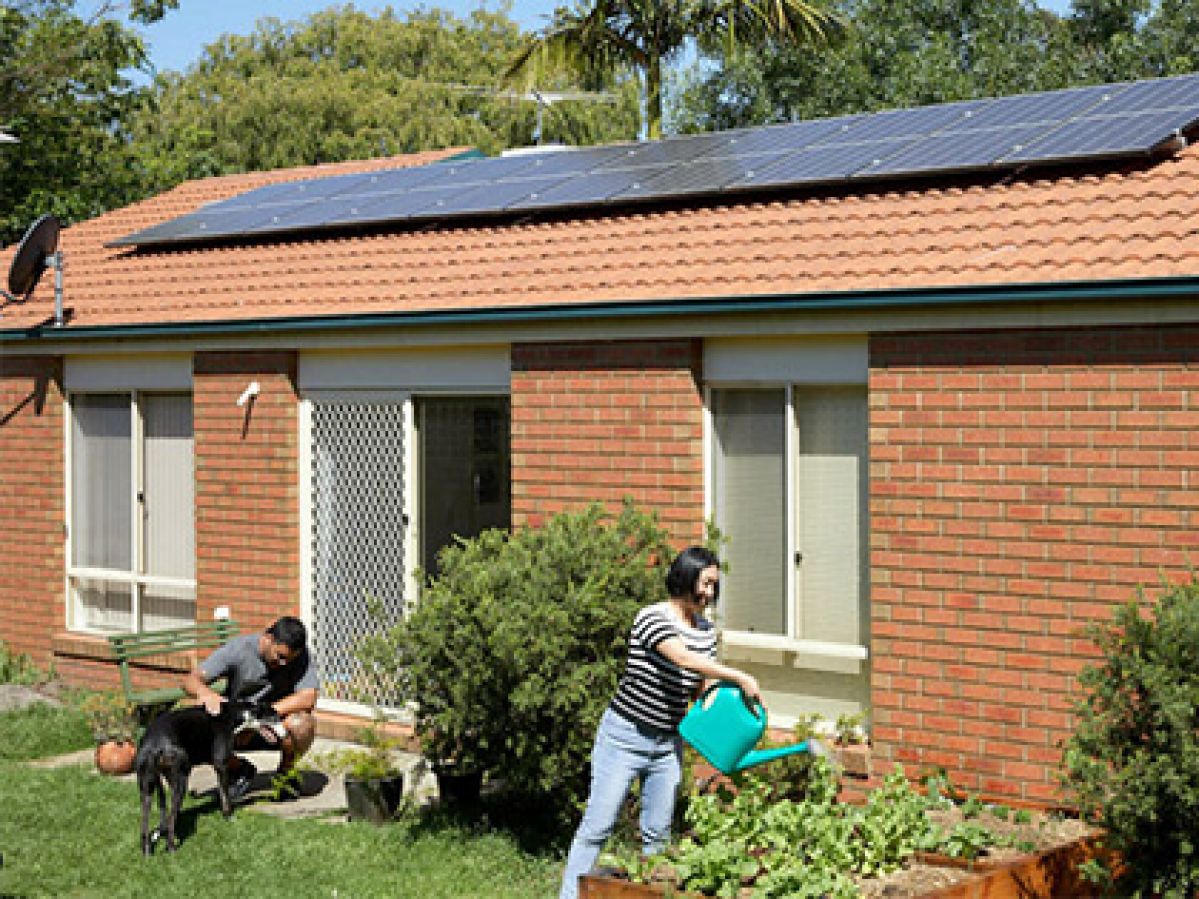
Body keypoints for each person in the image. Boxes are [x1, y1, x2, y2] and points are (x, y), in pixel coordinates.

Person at [559, 546, 763, 899]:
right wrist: (739, 675)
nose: (709, 593)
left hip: (667, 744)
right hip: (624, 737)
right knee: (598, 826)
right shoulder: (652, 617)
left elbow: (703, 684)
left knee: (657, 835)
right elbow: (683, 659)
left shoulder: (705, 630)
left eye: (715, 586)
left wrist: (722, 709)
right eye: (705, 583)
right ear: (684, 577)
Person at [183, 615, 318, 802]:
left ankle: (285, 777)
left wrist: (261, 716)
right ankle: (238, 769)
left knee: (302, 723)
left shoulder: (300, 656)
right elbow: (191, 680)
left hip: (273, 726)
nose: (284, 664)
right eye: (280, 657)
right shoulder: (238, 650)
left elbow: (308, 697)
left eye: (289, 660)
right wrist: (205, 693)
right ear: (268, 639)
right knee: (198, 726)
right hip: (237, 726)